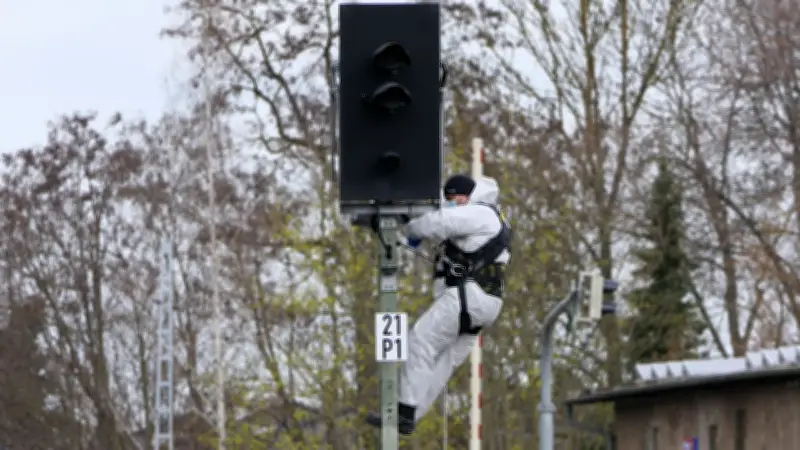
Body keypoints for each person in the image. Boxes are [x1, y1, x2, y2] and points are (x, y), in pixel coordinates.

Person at [366, 174, 512, 435]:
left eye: (454, 198)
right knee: (442, 363)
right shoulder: (490, 219)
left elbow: (437, 223)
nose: (451, 203)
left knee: (420, 341)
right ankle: (410, 414)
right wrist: (405, 233)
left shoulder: (480, 213)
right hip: (485, 302)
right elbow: (430, 234)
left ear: (468, 195)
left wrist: (404, 220)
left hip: (469, 296)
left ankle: (405, 411)